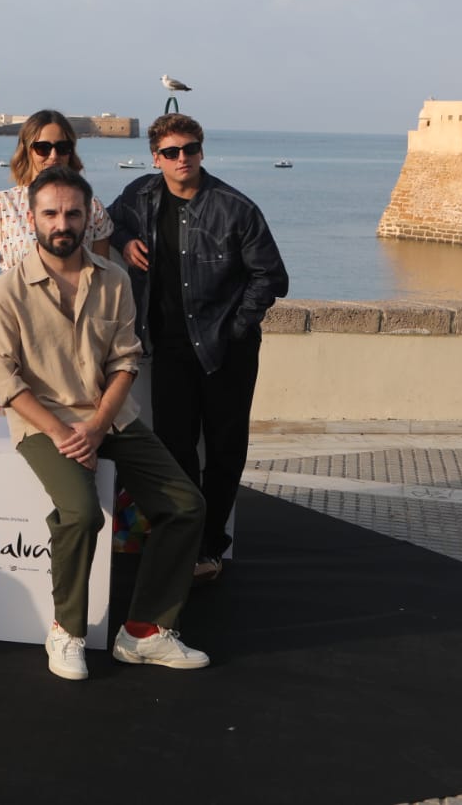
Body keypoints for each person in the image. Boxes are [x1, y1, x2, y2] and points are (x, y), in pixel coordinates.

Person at [0, 165, 209, 682]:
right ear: (31, 217)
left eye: (72, 213)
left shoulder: (115, 279)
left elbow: (125, 359)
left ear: (88, 218)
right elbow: (6, 381)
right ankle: (66, 631)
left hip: (108, 416)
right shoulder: (7, 292)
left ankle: (145, 632)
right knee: (82, 513)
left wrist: (99, 425)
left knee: (185, 505)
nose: (62, 223)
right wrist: (67, 433)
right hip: (44, 424)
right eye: (51, 213)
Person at [107, 113, 288, 583]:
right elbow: (103, 222)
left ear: (201, 151)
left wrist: (235, 328)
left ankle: (209, 546)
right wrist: (125, 242)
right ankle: (181, 539)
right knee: (175, 447)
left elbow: (272, 276)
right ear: (156, 158)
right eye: (171, 152)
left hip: (226, 349)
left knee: (225, 450)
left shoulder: (234, 207)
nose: (181, 158)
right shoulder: (140, 196)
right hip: (169, 348)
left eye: (189, 149)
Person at [0, 109, 113, 415]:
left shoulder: (91, 209)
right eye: (43, 147)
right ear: (27, 150)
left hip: (63, 338)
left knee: (58, 429)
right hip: (6, 328)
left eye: (62, 147)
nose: (53, 155)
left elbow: (100, 274)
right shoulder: (2, 204)